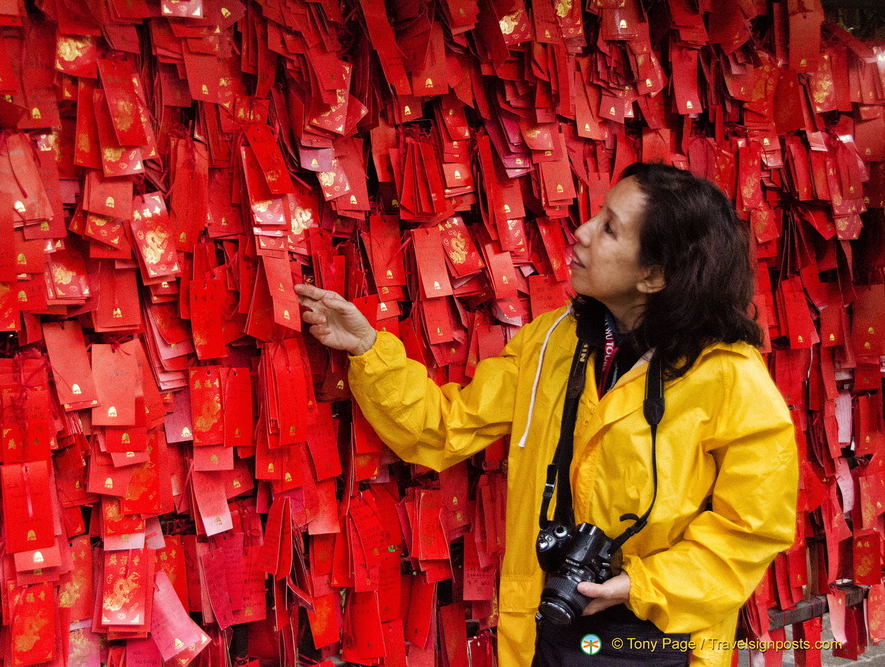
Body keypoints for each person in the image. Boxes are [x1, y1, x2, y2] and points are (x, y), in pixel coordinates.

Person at [295, 163, 798, 667]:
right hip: (545, 633)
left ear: (655, 274)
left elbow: (754, 528)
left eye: (608, 228)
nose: (579, 233)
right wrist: (367, 349)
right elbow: (445, 426)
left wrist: (641, 585)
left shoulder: (729, 377)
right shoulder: (556, 343)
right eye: (597, 214)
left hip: (660, 640)